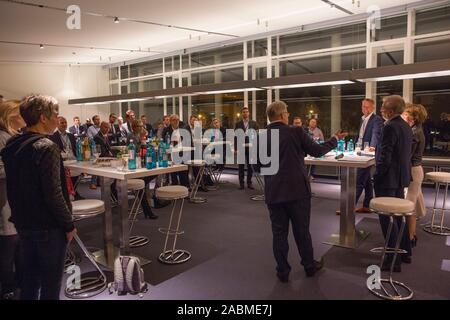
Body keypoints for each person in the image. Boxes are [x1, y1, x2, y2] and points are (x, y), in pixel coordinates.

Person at [1, 94, 77, 300]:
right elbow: (54, 194)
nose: (58, 119)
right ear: (43, 117)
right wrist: (69, 224)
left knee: (29, 281)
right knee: (51, 285)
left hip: (23, 223)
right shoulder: (46, 147)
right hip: (48, 226)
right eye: (56, 114)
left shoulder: (12, 144)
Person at [264, 101, 346, 282]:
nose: (288, 115)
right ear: (282, 115)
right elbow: (317, 151)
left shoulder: (262, 136)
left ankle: (282, 271)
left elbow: (257, 166)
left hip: (274, 192)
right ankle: (309, 266)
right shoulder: (295, 131)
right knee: (302, 231)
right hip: (297, 192)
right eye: (287, 112)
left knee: (279, 234)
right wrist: (334, 140)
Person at [373, 95, 413, 272]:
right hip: (400, 178)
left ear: (389, 111)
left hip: (388, 179)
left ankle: (393, 259)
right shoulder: (405, 125)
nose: (381, 111)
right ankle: (405, 253)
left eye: (382, 109)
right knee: (398, 217)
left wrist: (377, 175)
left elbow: (385, 156)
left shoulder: (389, 126)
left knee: (388, 219)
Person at [0, 100, 26, 299]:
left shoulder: (13, 136)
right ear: (10, 116)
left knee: (16, 239)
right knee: (8, 241)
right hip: (4, 196)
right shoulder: (2, 138)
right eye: (20, 114)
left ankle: (18, 279)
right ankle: (7, 285)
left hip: (14, 194)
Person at [402, 104, 427, 248]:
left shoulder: (414, 132)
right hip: (416, 169)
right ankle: (412, 235)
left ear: (413, 117)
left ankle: (410, 238)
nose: (404, 115)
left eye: (406, 113)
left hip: (413, 170)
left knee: (409, 207)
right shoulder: (417, 130)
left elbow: (406, 155)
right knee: (414, 205)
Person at [354, 98, 383, 213]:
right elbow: (361, 135)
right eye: (363, 106)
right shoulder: (362, 119)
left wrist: (373, 147)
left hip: (367, 152)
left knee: (359, 180)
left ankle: (349, 207)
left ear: (372, 108)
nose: (364, 109)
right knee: (366, 180)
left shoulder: (376, 119)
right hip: (359, 151)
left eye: (367, 107)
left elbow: (376, 133)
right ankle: (367, 205)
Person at [127, 119, 158, 219]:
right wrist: (142, 140)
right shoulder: (131, 136)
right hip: (134, 164)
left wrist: (144, 140)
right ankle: (148, 210)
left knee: (154, 173)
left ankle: (149, 209)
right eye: (139, 126)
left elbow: (147, 147)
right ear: (134, 127)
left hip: (142, 163)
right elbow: (137, 150)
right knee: (141, 184)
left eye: (142, 126)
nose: (142, 128)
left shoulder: (140, 135)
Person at [50, 116, 83, 200]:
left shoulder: (71, 135)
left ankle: (73, 191)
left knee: (80, 172)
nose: (64, 124)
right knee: (67, 174)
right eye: (62, 123)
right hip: (63, 161)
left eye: (65, 122)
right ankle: (70, 193)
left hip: (74, 159)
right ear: (57, 124)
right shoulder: (53, 136)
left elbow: (75, 148)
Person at [162, 114, 190, 188]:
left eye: (178, 120)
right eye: (174, 120)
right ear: (170, 121)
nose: (176, 121)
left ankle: (185, 187)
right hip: (171, 152)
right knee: (172, 169)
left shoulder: (184, 127)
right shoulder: (166, 130)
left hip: (183, 151)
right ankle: (174, 186)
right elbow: (163, 141)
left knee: (183, 171)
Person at [235, 106, 259, 189]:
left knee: (250, 166)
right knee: (241, 166)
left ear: (249, 113)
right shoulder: (238, 124)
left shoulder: (254, 123)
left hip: (251, 147)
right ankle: (241, 183)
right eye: (244, 112)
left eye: (247, 112)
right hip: (241, 147)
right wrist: (235, 148)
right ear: (242, 114)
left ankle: (249, 183)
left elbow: (257, 135)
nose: (245, 113)